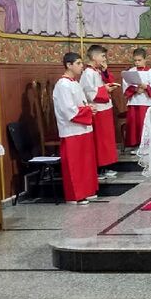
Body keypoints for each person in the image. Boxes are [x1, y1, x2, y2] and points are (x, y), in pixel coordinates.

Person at [52, 52, 99, 204]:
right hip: (71, 129)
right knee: (74, 164)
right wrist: (87, 111)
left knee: (85, 162)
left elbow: (80, 103)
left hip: (82, 128)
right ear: (68, 65)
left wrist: (88, 107)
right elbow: (68, 110)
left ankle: (87, 190)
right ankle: (75, 195)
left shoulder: (74, 82)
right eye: (78, 63)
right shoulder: (63, 85)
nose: (81, 66)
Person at [80, 45, 121, 180]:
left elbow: (109, 81)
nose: (105, 59)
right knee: (100, 140)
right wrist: (105, 90)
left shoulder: (98, 71)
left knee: (106, 140)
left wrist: (105, 72)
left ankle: (106, 165)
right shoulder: (88, 73)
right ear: (94, 57)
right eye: (102, 56)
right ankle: (99, 168)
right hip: (97, 110)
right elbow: (89, 92)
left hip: (105, 109)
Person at [123, 48, 151, 149]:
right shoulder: (131, 71)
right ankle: (134, 144)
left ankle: (147, 145)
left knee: (144, 124)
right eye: (135, 60)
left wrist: (146, 87)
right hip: (134, 102)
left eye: (139, 60)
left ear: (145, 60)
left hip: (146, 102)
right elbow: (126, 85)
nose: (137, 62)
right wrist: (135, 90)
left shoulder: (150, 72)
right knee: (134, 124)